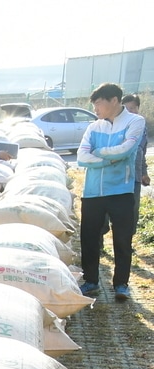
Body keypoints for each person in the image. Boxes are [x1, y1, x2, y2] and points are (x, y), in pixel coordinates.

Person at [77, 82, 146, 302]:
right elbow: (81, 157)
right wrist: (110, 159)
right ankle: (91, 281)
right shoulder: (94, 126)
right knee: (89, 238)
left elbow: (127, 149)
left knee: (122, 239)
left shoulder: (135, 121)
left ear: (114, 100)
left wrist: (98, 153)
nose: (95, 109)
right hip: (93, 192)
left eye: (98, 103)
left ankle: (121, 285)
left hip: (121, 190)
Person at [123, 94, 149, 226]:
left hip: (135, 178)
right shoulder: (119, 126)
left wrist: (144, 173)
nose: (130, 111)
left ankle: (127, 243)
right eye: (126, 109)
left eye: (132, 108)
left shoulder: (142, 128)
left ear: (138, 108)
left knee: (133, 211)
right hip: (119, 177)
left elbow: (142, 153)